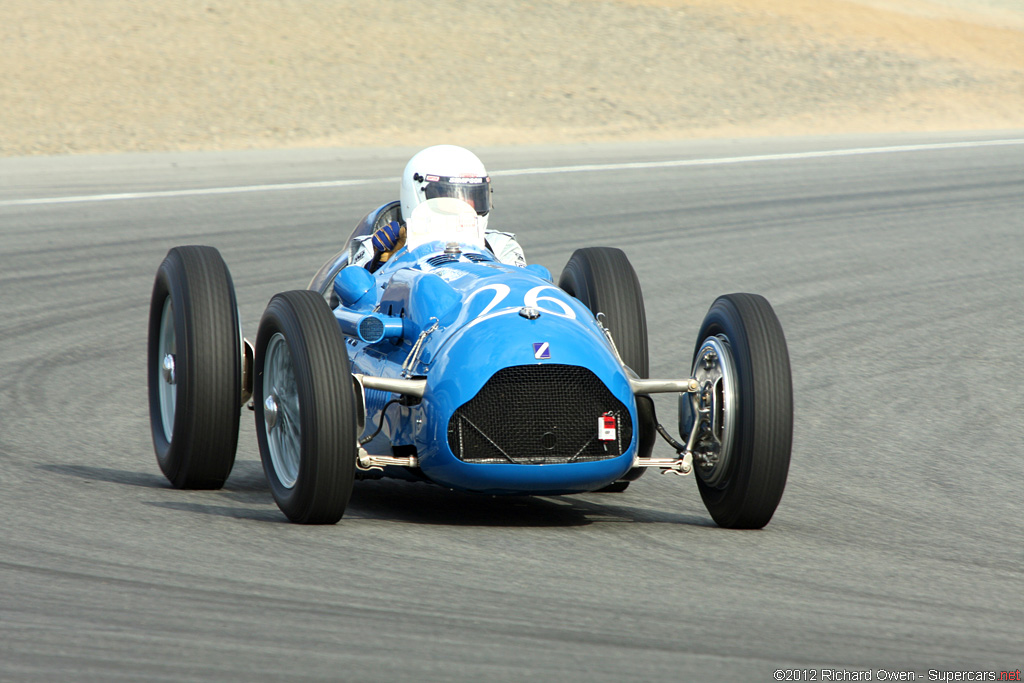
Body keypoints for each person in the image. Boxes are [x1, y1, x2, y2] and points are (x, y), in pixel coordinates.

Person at [349, 145, 526, 271]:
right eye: (451, 197)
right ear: (417, 192)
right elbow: (351, 303)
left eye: (475, 197)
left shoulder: (501, 246)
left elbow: (521, 289)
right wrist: (381, 266)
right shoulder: (375, 247)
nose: (468, 206)